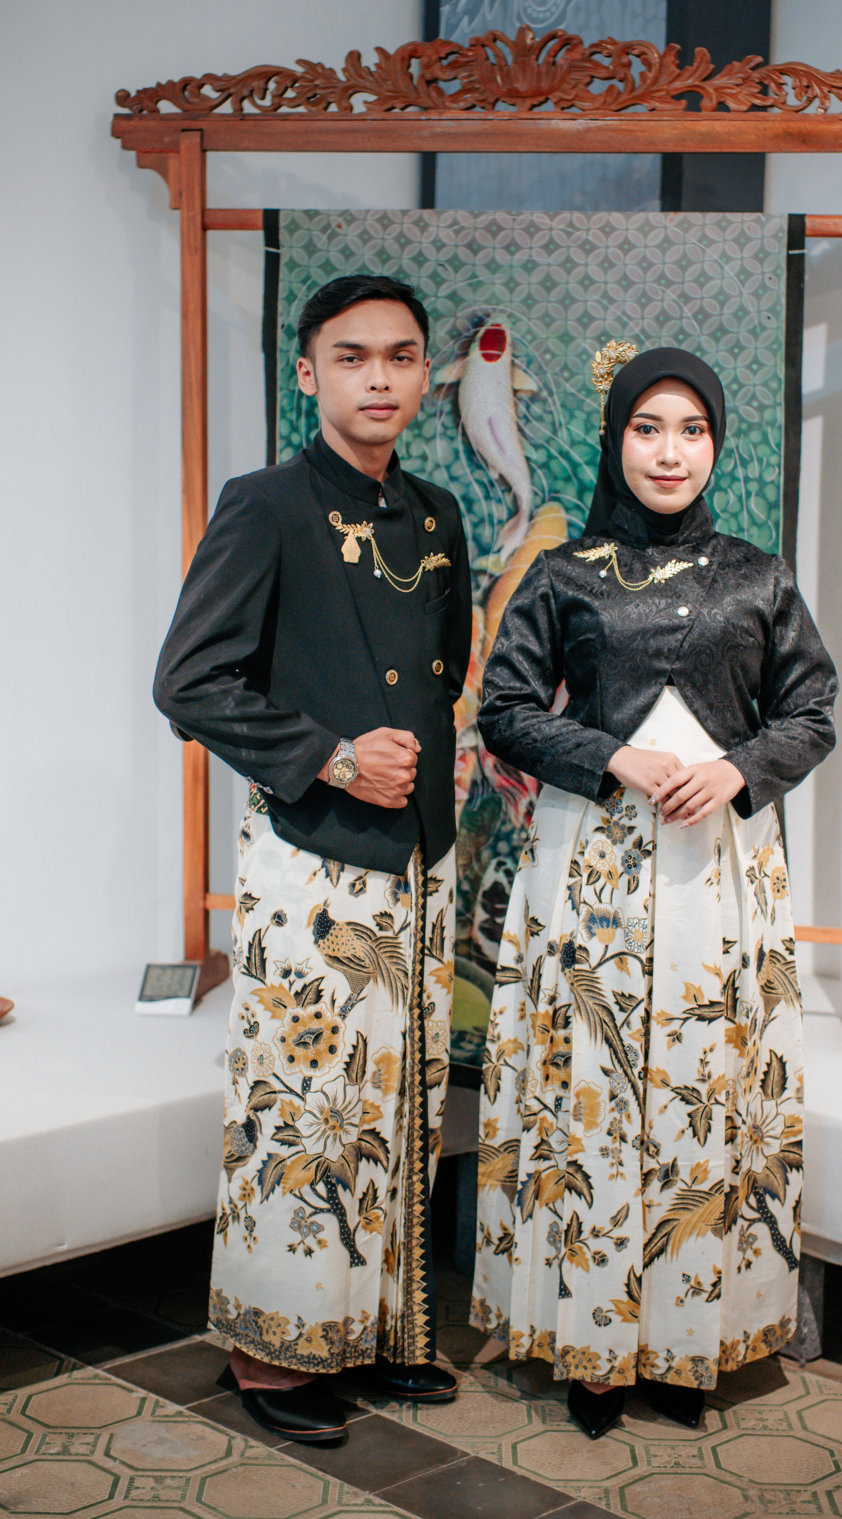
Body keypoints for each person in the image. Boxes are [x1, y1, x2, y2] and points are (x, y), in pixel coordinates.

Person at [469, 344, 838, 1440]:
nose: (670, 451)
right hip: (592, 870)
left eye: (691, 429)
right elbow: (502, 709)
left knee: (705, 1088)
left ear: (714, 444)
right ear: (615, 439)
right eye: (647, 428)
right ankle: (592, 1343)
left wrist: (739, 769)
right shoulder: (561, 572)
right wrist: (611, 754)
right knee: (594, 1088)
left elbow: (811, 711)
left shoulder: (760, 575)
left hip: (718, 870)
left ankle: (689, 1337)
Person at [154, 273, 472, 1444]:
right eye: (351, 356)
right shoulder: (266, 504)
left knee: (397, 1102)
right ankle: (271, 1354)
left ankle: (372, 1330)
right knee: (302, 1106)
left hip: (419, 854)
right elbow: (187, 680)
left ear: (426, 373)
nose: (378, 377)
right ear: (308, 373)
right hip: (309, 856)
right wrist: (331, 756)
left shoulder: (436, 512)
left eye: (399, 356)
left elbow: (447, 668)